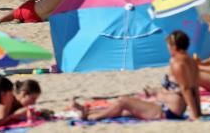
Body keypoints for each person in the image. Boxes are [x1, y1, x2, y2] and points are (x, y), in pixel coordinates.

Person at [72, 31, 201, 121]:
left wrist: (195, 116)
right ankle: (88, 113)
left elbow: (186, 89)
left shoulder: (177, 63)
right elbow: (194, 89)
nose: (167, 48)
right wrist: (199, 112)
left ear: (174, 46)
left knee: (123, 101)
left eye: (168, 45)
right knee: (123, 110)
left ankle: (91, 117)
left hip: (168, 111)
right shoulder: (192, 62)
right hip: (170, 109)